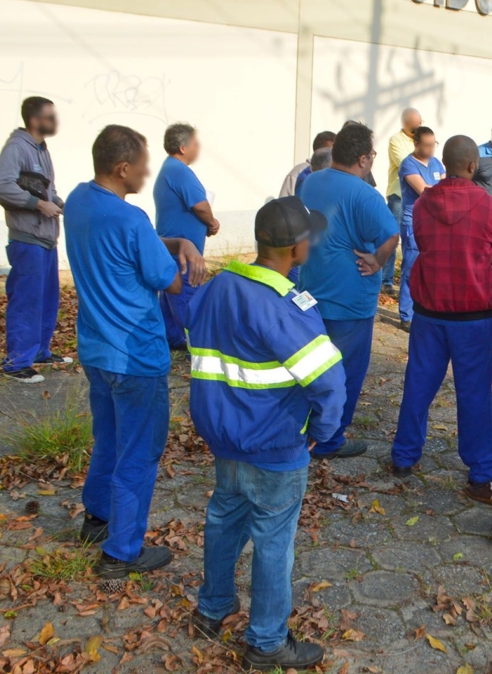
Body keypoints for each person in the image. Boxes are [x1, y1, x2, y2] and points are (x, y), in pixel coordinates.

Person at [188, 197, 343, 672]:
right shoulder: (284, 307)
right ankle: (267, 641)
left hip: (225, 439)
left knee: (223, 521)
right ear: (297, 249)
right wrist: (322, 429)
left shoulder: (219, 287)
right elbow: (329, 381)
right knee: (274, 542)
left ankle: (211, 609)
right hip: (275, 446)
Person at [64, 124, 207, 577]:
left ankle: (97, 517)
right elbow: (172, 280)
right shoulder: (130, 219)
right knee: (139, 452)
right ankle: (122, 551)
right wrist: (182, 253)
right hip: (136, 356)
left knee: (108, 437)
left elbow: (132, 247)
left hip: (95, 350)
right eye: (142, 166)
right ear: (122, 168)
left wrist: (176, 240)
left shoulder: (78, 201)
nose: (147, 173)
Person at [390, 134, 492, 503]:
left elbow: (422, 243)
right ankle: (482, 469)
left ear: (445, 162)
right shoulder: (491, 208)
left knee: (418, 385)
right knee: (474, 394)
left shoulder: (425, 203)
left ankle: (404, 455)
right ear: (474, 166)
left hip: (429, 312)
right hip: (473, 316)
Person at [299, 123, 399, 460]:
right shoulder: (363, 194)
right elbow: (391, 234)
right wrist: (377, 261)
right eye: (371, 154)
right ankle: (329, 439)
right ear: (362, 159)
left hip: (310, 293)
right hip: (348, 301)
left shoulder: (312, 180)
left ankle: (303, 429)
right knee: (345, 373)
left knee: (309, 367)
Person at [0, 96, 69, 383]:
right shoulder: (17, 147)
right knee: (26, 300)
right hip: (28, 239)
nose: (55, 122)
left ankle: (39, 352)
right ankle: (16, 362)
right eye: (50, 116)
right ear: (35, 120)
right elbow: (0, 184)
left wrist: (60, 203)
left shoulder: (41, 150)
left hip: (46, 239)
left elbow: (46, 191)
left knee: (47, 299)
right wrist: (37, 205)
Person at [154, 123, 218, 351]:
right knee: (188, 297)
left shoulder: (169, 169)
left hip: (172, 248)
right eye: (195, 143)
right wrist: (211, 222)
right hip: (181, 252)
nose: (198, 147)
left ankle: (173, 338)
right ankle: (199, 346)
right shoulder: (180, 171)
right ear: (183, 148)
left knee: (171, 298)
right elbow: (200, 206)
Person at [396, 127, 445, 324]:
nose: (431, 149)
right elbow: (426, 191)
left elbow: (444, 185)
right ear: (416, 144)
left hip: (434, 222)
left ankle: (425, 309)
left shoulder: (435, 162)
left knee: (431, 268)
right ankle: (406, 316)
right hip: (414, 222)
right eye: (427, 145)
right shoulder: (408, 165)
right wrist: (444, 190)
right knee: (412, 268)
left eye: (433, 145)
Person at [384, 108, 421, 291]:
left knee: (413, 240)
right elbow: (406, 165)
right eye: (415, 126)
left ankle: (410, 280)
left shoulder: (423, 140)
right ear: (405, 125)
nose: (418, 127)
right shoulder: (396, 141)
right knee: (393, 236)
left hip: (417, 198)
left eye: (419, 123)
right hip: (398, 196)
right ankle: (387, 281)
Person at [279, 131, 335, 198]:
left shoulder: (338, 174)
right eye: (330, 151)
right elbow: (284, 202)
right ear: (318, 151)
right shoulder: (298, 173)